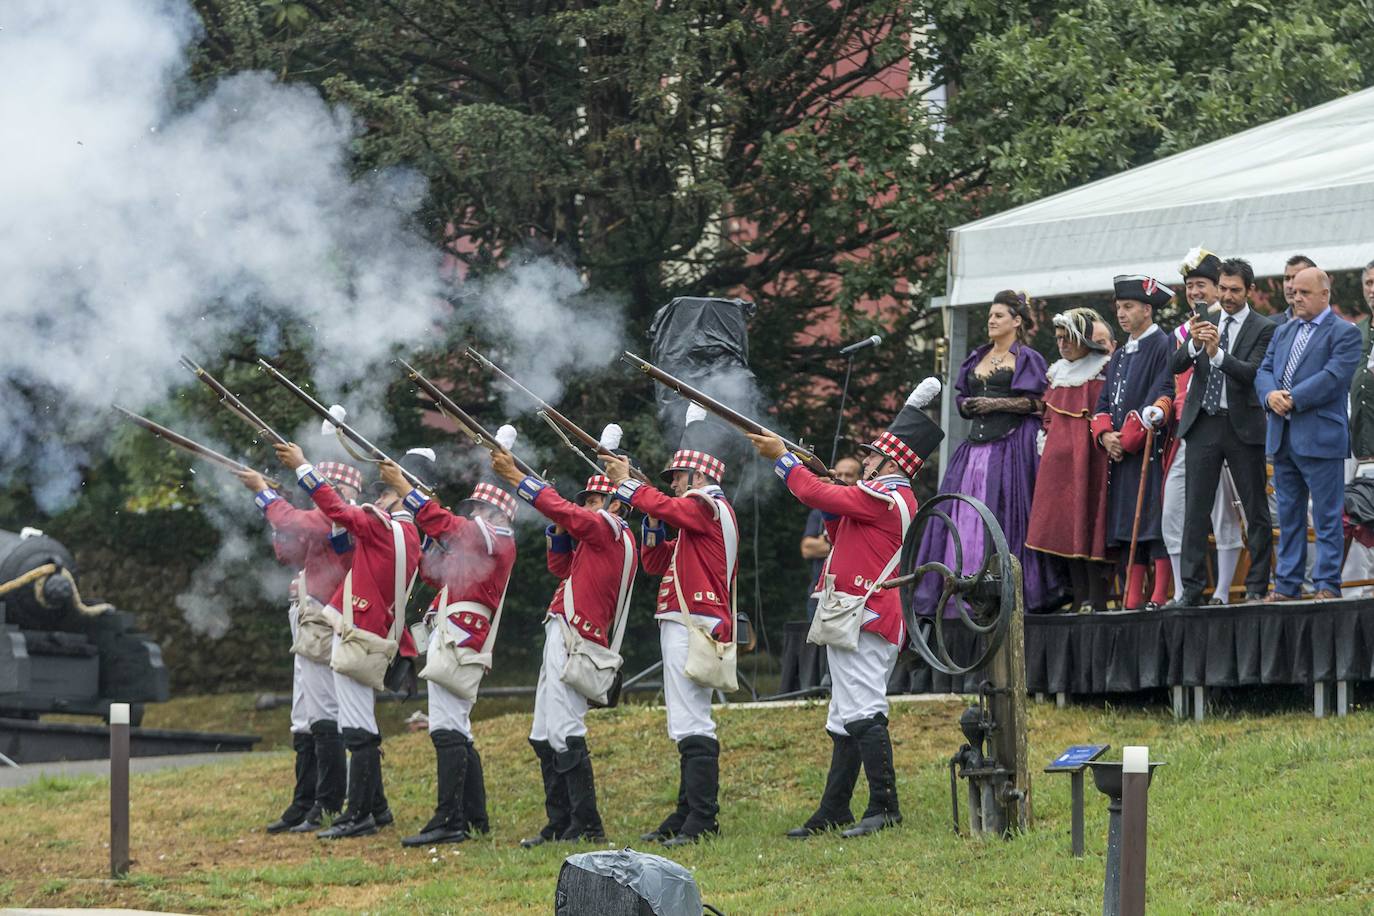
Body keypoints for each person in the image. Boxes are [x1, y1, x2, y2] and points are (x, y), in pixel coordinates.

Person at [748, 378, 943, 839]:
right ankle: (834, 808)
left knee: (863, 710)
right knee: (844, 715)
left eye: (873, 456)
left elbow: (817, 497)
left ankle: (885, 807)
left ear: (892, 462)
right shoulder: (883, 497)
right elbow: (838, 530)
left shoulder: (888, 495)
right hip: (855, 610)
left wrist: (784, 459)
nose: (866, 462)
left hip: (867, 614)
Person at [492, 425, 638, 848]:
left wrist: (520, 479)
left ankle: (586, 824)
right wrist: (557, 528)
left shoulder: (610, 528)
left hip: (577, 635)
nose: (589, 507)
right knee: (544, 730)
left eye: (596, 500)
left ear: (615, 504)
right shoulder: (599, 538)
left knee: (566, 728)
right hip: (564, 630)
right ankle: (560, 822)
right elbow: (560, 568)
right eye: (588, 501)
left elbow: (569, 516)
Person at [272, 440, 421, 840]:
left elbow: (335, 510)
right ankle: (375, 808)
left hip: (359, 633)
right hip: (370, 632)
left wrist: (303, 466)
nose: (380, 500)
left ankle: (358, 815)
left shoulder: (382, 525)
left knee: (357, 726)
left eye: (386, 493)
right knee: (359, 723)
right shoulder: (408, 532)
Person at [605, 405, 737, 848]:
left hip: (691, 620)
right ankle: (687, 813)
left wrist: (630, 486)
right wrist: (652, 516)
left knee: (692, 719)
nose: (673, 484)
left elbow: (670, 507)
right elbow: (655, 562)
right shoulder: (698, 513)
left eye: (678, 477)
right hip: (686, 617)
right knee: (684, 718)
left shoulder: (706, 504)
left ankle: (702, 817)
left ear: (697, 478)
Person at [380, 436, 519, 848]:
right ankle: (473, 817)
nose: (472, 513)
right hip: (453, 635)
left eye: (478, 507)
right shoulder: (481, 541)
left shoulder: (497, 535)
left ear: (494, 511)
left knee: (447, 726)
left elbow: (454, 528)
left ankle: (450, 819)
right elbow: (433, 573)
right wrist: (426, 533)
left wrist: (408, 491)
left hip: (462, 638)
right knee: (456, 726)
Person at [912, 290, 1058, 612]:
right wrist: (967, 405)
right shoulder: (977, 357)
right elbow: (961, 395)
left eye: (999, 315)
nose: (991, 320)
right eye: (990, 315)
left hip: (1011, 447)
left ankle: (1004, 589)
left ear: (1016, 321)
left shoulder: (1027, 358)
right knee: (963, 513)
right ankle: (958, 587)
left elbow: (1038, 402)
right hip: (973, 450)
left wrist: (996, 403)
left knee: (1005, 511)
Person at [240, 459, 359, 835]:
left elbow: (294, 522)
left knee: (323, 714)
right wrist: (279, 506)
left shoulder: (343, 516)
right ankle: (304, 800)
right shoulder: (323, 518)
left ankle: (326, 802)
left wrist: (265, 493)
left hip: (323, 619)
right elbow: (287, 553)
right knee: (304, 715)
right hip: (307, 616)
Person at [1170, 257, 1275, 605]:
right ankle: (1191, 588)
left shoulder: (1264, 327)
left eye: (1235, 290)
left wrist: (1216, 354)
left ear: (1250, 291)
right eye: (1224, 289)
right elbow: (1175, 365)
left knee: (1254, 508)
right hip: (1203, 422)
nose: (1228, 296)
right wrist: (1194, 344)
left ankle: (1257, 585)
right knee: (1195, 511)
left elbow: (1251, 373)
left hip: (1243, 424)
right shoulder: (1205, 320)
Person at [1256, 267, 1363, 600]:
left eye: (1304, 292)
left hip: (1320, 438)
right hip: (1283, 435)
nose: (1296, 297)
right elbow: (1265, 370)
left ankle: (1326, 584)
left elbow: (1335, 376)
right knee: (1288, 515)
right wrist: (1269, 395)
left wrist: (1292, 398)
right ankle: (1287, 585)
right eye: (1293, 292)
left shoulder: (1344, 333)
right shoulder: (1284, 331)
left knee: (1327, 515)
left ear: (1325, 295)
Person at [1159, 248, 1245, 605]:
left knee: (1223, 509)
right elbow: (1170, 377)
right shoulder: (1180, 333)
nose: (1196, 293)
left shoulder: (1233, 325)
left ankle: (1223, 591)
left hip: (1229, 425)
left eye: (1203, 285)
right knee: (1174, 511)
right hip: (1189, 430)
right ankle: (1182, 590)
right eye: (1190, 286)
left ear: (1219, 288)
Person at [1090, 275, 1176, 610]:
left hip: (1151, 450)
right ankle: (1133, 594)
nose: (1121, 314)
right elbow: (1103, 403)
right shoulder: (1121, 353)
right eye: (1119, 308)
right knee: (1128, 525)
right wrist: (1105, 435)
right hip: (1121, 454)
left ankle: (1159, 593)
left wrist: (1128, 437)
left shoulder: (1164, 344)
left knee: (1154, 523)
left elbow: (1164, 393)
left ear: (1147, 309)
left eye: (1128, 307)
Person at [1026, 308, 1114, 612]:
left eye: (1069, 338)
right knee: (1062, 527)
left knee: (1087, 525)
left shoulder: (1101, 369)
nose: (1062, 344)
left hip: (1089, 462)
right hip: (1057, 465)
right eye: (1059, 338)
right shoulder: (1057, 372)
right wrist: (1044, 437)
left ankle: (1095, 599)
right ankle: (1077, 598)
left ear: (1083, 339)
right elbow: (1048, 416)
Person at [800, 457, 861, 620]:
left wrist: (829, 541)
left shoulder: (862, 509)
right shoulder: (818, 511)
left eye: (849, 475)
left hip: (851, 596)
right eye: (839, 474)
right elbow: (807, 549)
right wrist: (838, 542)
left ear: (859, 479)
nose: (843, 478)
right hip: (819, 591)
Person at [1270, 254, 1317, 324]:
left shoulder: (1333, 327)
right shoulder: (1271, 324)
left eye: (1296, 278)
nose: (1289, 285)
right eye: (1287, 279)